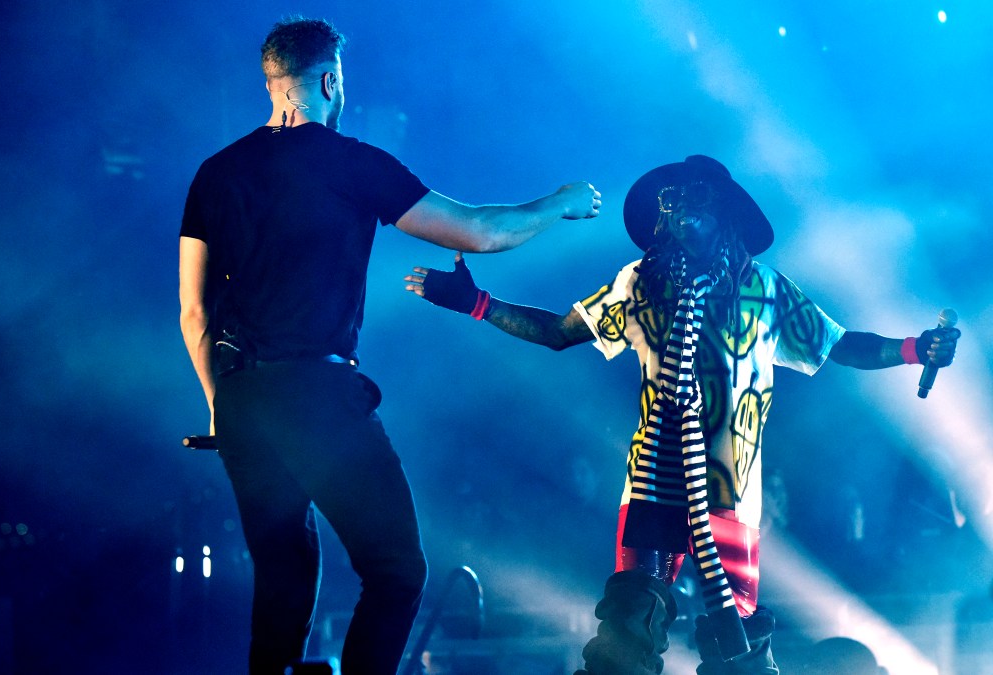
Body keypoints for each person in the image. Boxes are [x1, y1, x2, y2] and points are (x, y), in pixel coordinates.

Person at [404, 155, 959, 674]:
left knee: (736, 635)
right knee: (629, 625)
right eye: (669, 199)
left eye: (693, 195)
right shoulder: (639, 284)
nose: (676, 206)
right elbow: (557, 333)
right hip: (653, 480)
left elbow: (838, 345)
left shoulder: (765, 290)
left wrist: (915, 348)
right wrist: (477, 303)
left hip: (730, 492)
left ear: (723, 210)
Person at [178, 16, 600, 675]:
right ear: (329, 80)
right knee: (397, 569)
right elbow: (478, 231)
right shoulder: (352, 164)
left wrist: (218, 403)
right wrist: (560, 204)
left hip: (240, 399)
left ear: (271, 82)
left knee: (285, 571)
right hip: (315, 394)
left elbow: (193, 308)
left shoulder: (214, 173)